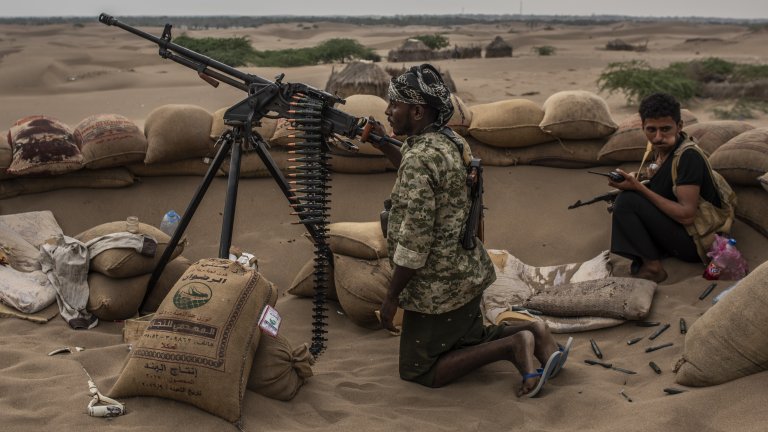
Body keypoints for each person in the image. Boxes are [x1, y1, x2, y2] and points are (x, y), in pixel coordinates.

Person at [368, 64, 569, 397]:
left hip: (438, 288)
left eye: (395, 104)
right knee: (467, 340)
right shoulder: (451, 142)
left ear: (417, 111)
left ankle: (514, 344)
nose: (388, 111)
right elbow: (415, 162)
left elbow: (414, 245)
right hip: (468, 274)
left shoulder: (421, 158)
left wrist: (392, 299)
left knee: (420, 369)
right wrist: (380, 142)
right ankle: (537, 330)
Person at [607, 92, 734, 283]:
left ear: (679, 126)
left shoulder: (688, 156)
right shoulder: (659, 151)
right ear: (643, 128)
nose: (658, 137)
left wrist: (639, 188)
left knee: (627, 202)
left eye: (665, 129)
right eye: (651, 130)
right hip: (678, 230)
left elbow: (687, 214)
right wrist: (638, 179)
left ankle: (653, 268)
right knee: (624, 198)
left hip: (696, 242)